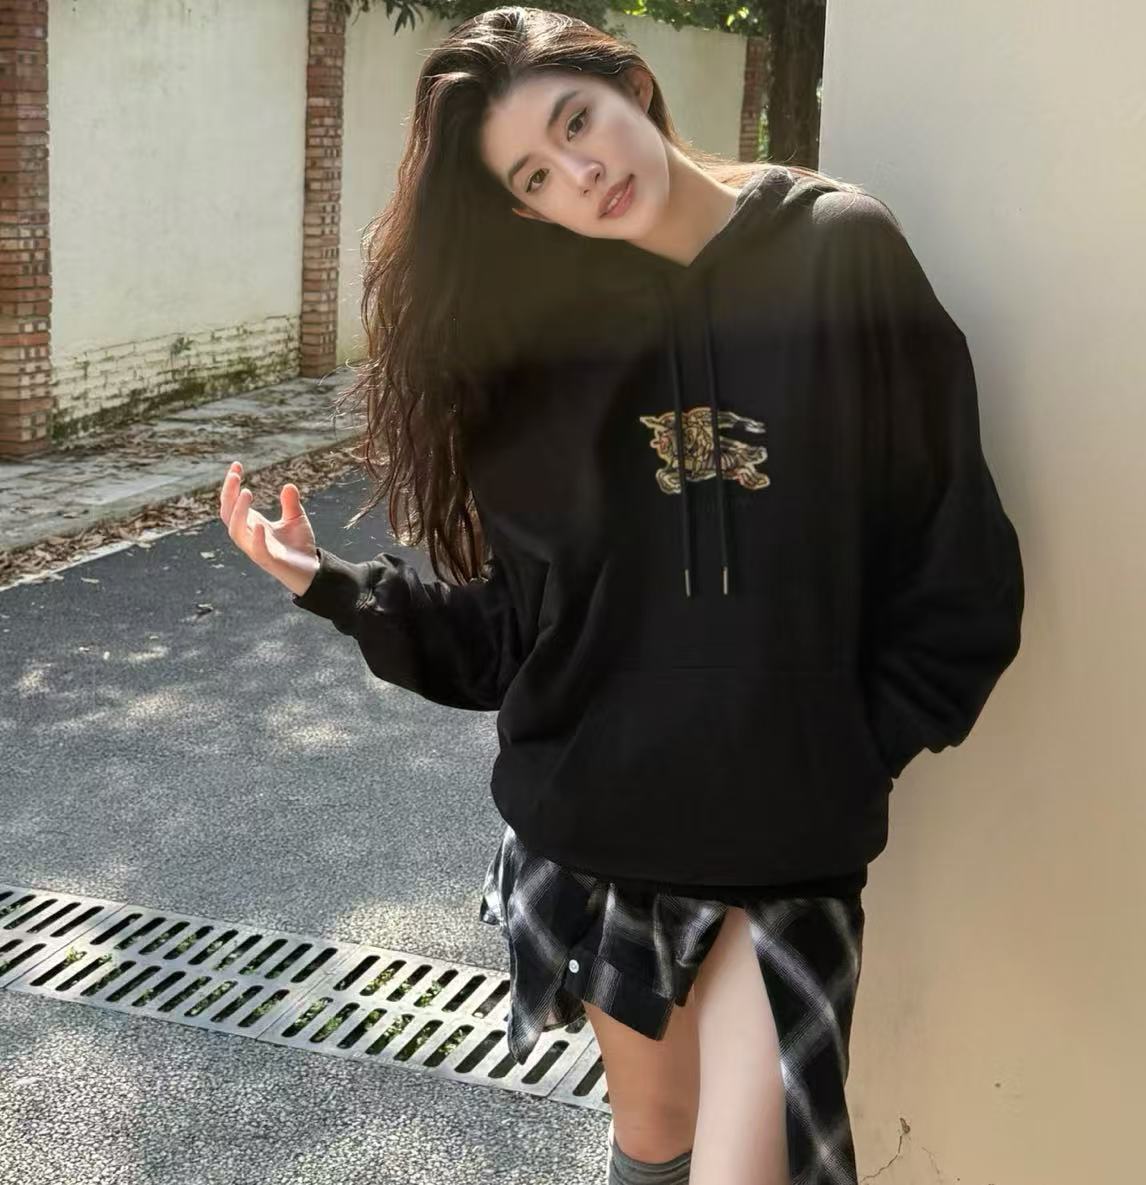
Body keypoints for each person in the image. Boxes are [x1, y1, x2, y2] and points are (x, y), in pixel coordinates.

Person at [219, 7, 1025, 1183]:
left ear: (633, 87)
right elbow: (514, 633)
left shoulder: (837, 251)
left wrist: (847, 750)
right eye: (535, 176)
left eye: (575, 122)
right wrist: (334, 588)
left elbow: (955, 557)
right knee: (652, 1139)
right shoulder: (551, 345)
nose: (581, 172)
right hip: (598, 830)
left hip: (785, 846)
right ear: (523, 211)